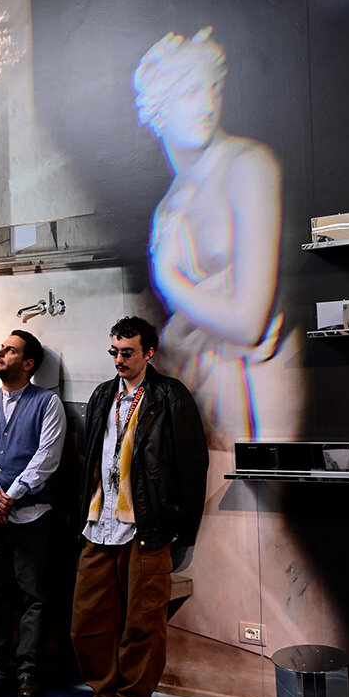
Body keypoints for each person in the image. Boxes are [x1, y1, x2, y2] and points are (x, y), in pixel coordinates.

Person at [133, 27, 283, 445]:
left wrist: (169, 280)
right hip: (200, 390)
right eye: (189, 93)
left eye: (212, 89)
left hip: (256, 390)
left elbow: (249, 324)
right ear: (158, 109)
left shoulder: (248, 165)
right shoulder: (168, 207)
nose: (207, 106)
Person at [69, 316, 208, 697]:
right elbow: (89, 459)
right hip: (99, 522)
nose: (119, 359)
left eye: (128, 352)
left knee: (143, 622)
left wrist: (184, 529)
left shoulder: (170, 395)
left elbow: (192, 465)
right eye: (114, 351)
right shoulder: (102, 394)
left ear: (149, 352)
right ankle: (103, 693)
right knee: (87, 620)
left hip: (147, 526)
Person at [0, 330, 67, 697]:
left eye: (9, 350)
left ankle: (28, 673)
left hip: (30, 518)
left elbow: (47, 458)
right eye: (1, 347)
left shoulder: (47, 403)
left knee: (33, 598)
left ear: (28, 363)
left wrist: (10, 497)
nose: (0, 352)